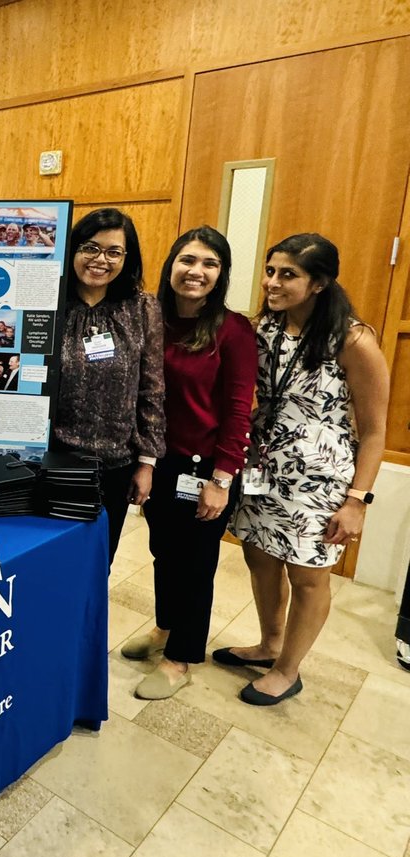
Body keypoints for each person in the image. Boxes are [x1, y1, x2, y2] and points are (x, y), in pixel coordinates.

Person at [222, 233, 389, 705]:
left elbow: (375, 430)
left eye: (288, 275)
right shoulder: (263, 327)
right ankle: (270, 644)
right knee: (259, 557)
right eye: (270, 271)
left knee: (307, 575)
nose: (272, 282)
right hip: (261, 467)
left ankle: (288, 669)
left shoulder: (353, 339)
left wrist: (358, 500)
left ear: (319, 283)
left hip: (320, 480)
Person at [119, 227, 258, 699]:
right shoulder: (151, 317)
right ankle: (164, 630)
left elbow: (240, 409)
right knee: (163, 552)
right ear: (171, 264)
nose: (196, 271)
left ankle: (181, 658)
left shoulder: (233, 330)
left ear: (221, 274)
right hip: (157, 460)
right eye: (187, 260)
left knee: (196, 563)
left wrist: (223, 478)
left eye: (209, 264)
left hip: (206, 468)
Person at [53, 207, 165, 565]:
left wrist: (146, 462)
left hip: (114, 466)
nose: (101, 260)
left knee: (97, 563)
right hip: (50, 459)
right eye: (90, 248)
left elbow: (152, 389)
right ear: (72, 251)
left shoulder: (141, 308)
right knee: (49, 563)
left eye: (114, 251)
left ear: (126, 258)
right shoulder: (50, 305)